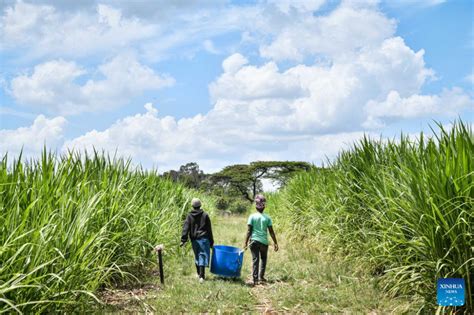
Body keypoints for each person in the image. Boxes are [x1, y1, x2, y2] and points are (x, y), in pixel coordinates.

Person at [244, 194, 278, 286]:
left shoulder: (252, 216)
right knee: (263, 259)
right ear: (264, 207)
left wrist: (245, 243)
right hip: (264, 242)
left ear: (256, 206)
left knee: (255, 260)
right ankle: (261, 277)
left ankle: (255, 279)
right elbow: (271, 232)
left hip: (254, 241)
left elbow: (249, 231)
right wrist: (275, 243)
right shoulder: (267, 217)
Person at [180, 198, 214, 283]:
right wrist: (211, 241)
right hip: (204, 239)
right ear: (200, 205)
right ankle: (201, 276)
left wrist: (183, 239)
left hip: (194, 239)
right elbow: (209, 229)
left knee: (197, 256)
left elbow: (185, 228)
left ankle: (199, 274)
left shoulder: (189, 215)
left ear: (192, 206)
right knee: (202, 255)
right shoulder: (205, 215)